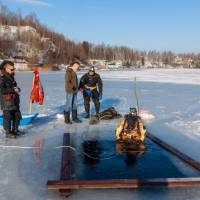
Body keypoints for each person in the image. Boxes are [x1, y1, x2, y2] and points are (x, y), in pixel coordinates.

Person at [0, 60, 22, 138]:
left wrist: (18, 89)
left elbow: (15, 87)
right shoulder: (2, 78)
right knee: (8, 117)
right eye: (11, 69)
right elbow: (2, 90)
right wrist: (13, 90)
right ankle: (8, 132)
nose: (13, 71)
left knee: (17, 115)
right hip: (6, 102)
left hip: (14, 101)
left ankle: (15, 130)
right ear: (5, 69)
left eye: (14, 69)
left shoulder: (11, 77)